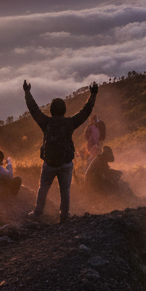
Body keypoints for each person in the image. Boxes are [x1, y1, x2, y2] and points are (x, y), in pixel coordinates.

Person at [24, 79, 99, 223]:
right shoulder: (69, 123)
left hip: (49, 163)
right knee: (65, 192)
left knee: (43, 188)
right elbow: (85, 112)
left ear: (51, 110)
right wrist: (93, 94)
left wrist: (27, 92)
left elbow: (33, 109)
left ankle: (37, 213)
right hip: (65, 164)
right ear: (64, 110)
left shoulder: (46, 122)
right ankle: (64, 216)